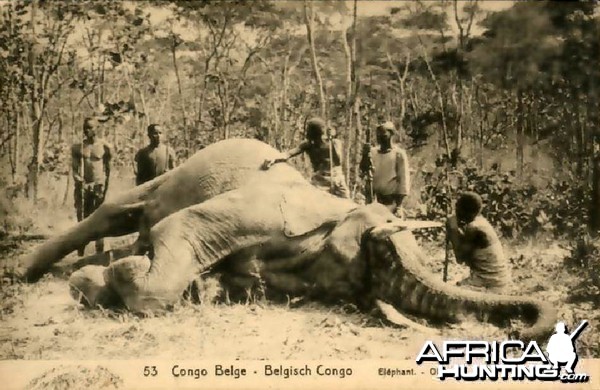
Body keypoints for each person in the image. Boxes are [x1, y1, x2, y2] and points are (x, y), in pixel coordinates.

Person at [261, 117, 350, 198]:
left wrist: (333, 144)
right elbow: (289, 154)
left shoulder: (333, 143)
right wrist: (274, 159)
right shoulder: (308, 145)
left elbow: (339, 160)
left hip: (337, 178)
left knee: (348, 204)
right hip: (320, 180)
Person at [445, 191, 511, 292]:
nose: (455, 211)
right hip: (498, 279)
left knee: (450, 295)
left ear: (463, 211)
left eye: (457, 208)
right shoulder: (481, 222)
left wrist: (453, 229)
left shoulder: (474, 228)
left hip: (491, 283)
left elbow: (460, 258)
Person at [71, 117, 112, 256]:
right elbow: (75, 170)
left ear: (96, 128)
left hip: (98, 187)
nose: (86, 130)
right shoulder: (78, 148)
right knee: (82, 218)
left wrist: (104, 188)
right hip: (83, 187)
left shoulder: (105, 147)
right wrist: (80, 181)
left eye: (90, 127)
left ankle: (99, 252)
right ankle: (80, 250)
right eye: (85, 127)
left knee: (100, 218)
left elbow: (108, 170)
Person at [369, 121, 411, 216]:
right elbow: (366, 172)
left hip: (391, 202)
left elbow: (403, 180)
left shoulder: (398, 154)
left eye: (384, 135)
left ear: (391, 134)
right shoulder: (373, 153)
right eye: (378, 135)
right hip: (376, 202)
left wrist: (399, 206)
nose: (380, 138)